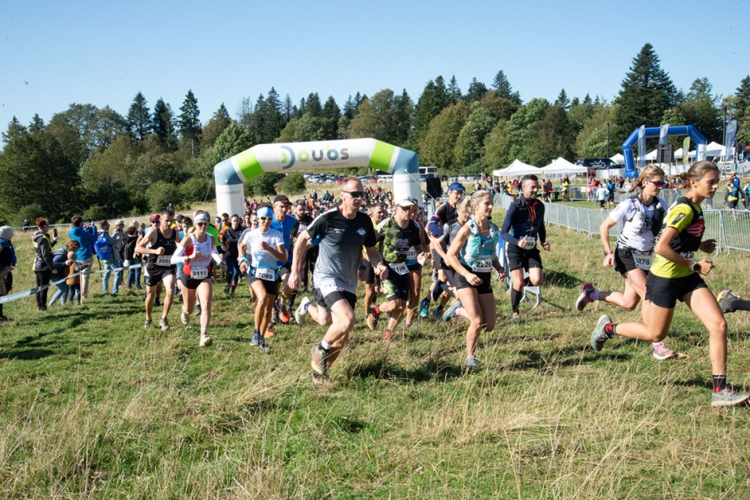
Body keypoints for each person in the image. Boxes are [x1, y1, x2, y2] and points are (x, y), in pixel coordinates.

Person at [590, 161, 750, 407]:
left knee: (718, 324)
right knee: (655, 333)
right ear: (694, 182)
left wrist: (698, 246)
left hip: (686, 278)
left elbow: (677, 238)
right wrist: (694, 264)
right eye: (711, 182)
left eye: (717, 181)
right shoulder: (684, 208)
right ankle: (608, 329)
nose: (716, 187)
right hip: (664, 278)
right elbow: (661, 247)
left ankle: (720, 390)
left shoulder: (692, 205)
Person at [289, 177, 387, 388]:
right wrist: (295, 272)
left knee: (337, 333)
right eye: (354, 194)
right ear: (342, 195)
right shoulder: (328, 218)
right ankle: (320, 350)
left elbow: (371, 251)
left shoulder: (364, 221)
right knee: (348, 320)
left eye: (362, 194)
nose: (359, 198)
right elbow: (301, 241)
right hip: (326, 277)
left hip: (349, 281)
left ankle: (319, 373)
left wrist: (378, 265)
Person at [576, 165, 674, 360]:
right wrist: (608, 252)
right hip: (626, 254)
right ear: (645, 182)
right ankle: (657, 344)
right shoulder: (630, 205)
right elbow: (604, 227)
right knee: (648, 293)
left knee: (629, 303)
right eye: (657, 183)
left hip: (646, 257)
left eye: (663, 183)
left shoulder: (661, 205)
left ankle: (591, 294)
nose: (660, 187)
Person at [444, 190, 505, 368]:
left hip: (484, 279)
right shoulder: (466, 229)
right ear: (476, 206)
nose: (491, 207)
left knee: (489, 325)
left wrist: (499, 268)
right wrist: (467, 274)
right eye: (487, 204)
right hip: (465, 278)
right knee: (477, 321)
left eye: (491, 203)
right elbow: (451, 255)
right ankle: (471, 357)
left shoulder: (494, 229)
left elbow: (491, 255)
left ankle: (458, 310)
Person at [368, 199, 428, 341]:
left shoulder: (413, 227)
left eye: (410, 208)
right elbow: (369, 243)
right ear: (396, 209)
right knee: (395, 304)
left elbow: (419, 247)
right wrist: (375, 264)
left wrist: (421, 255)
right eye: (405, 208)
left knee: (401, 307)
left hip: (402, 268)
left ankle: (388, 336)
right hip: (387, 268)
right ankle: (375, 310)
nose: (408, 211)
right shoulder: (387, 224)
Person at [501, 174, 550, 322]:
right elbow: (503, 232)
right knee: (518, 282)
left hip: (531, 248)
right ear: (523, 188)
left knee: (537, 280)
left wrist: (543, 241)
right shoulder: (516, 205)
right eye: (532, 187)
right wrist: (517, 242)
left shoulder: (540, 205)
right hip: (515, 248)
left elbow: (540, 225)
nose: (536, 190)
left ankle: (518, 286)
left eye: (537, 187)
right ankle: (515, 312)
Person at [171, 212, 225, 347]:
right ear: (195, 225)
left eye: (205, 224)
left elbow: (214, 252)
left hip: (203, 275)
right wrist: (188, 257)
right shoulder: (189, 239)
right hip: (188, 275)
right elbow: (173, 259)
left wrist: (221, 262)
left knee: (206, 303)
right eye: (199, 224)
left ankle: (203, 336)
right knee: (189, 308)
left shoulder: (211, 239)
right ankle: (184, 311)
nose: (202, 226)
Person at [238, 205, 286, 350]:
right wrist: (242, 260)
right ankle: (256, 332)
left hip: (271, 274)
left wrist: (269, 248)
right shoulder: (251, 234)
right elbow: (241, 246)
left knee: (268, 310)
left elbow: (283, 258)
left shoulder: (276, 234)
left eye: (269, 218)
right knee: (263, 298)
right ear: (258, 219)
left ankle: (261, 337)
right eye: (263, 218)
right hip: (255, 272)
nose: (266, 221)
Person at [421, 182, 466, 317]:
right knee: (442, 277)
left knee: (450, 280)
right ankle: (426, 301)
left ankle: (440, 308)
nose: (459, 196)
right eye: (456, 193)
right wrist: (443, 233)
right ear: (449, 193)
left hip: (454, 248)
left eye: (461, 193)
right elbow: (430, 225)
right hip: (440, 246)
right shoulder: (443, 208)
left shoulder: (462, 208)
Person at [136, 209, 180, 331]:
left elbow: (181, 245)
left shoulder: (174, 233)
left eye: (171, 221)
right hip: (153, 267)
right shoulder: (153, 232)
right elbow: (138, 248)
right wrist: (154, 251)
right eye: (166, 221)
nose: (169, 223)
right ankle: (148, 318)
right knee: (151, 295)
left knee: (170, 290)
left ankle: (164, 318)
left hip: (168, 267)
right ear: (160, 220)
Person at [270, 195, 300, 325]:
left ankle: (280, 304)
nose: (284, 209)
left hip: (286, 260)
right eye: (281, 206)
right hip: (270, 261)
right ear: (274, 208)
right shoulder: (268, 221)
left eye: (287, 207)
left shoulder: (293, 221)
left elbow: (294, 233)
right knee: (272, 290)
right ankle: (273, 314)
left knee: (290, 284)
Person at [68, 216, 97, 303]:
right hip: (85, 256)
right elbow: (94, 238)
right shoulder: (84, 233)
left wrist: (84, 229)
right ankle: (83, 296)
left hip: (75, 256)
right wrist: (94, 228)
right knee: (84, 277)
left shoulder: (71, 232)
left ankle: (75, 295)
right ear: (80, 223)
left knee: (76, 277)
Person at [32, 217, 58, 311]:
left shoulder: (37, 236)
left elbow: (45, 249)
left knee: (39, 287)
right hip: (43, 266)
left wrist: (54, 241)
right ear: (44, 227)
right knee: (43, 287)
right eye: (48, 226)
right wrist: (52, 267)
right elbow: (45, 254)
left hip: (38, 264)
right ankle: (42, 307)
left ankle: (39, 306)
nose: (49, 228)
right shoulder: (43, 238)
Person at [96, 220, 123, 295]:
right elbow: (115, 242)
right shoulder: (105, 234)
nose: (109, 225)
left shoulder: (98, 233)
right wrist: (119, 235)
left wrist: (114, 234)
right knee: (118, 273)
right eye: (108, 224)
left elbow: (108, 240)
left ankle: (105, 290)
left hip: (104, 256)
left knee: (106, 274)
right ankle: (115, 290)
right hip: (112, 256)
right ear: (104, 226)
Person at [221, 214, 243, 298]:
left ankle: (232, 292)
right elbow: (222, 242)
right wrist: (226, 251)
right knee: (230, 272)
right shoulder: (227, 231)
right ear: (230, 221)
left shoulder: (242, 231)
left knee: (236, 273)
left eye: (237, 221)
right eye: (234, 221)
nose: (236, 222)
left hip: (238, 256)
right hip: (229, 255)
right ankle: (229, 283)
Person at [0, 226, 16, 323]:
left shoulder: (6, 244)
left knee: (2, 295)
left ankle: (1, 316)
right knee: (1, 295)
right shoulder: (2, 246)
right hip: (2, 274)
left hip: (5, 272)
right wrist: (5, 271)